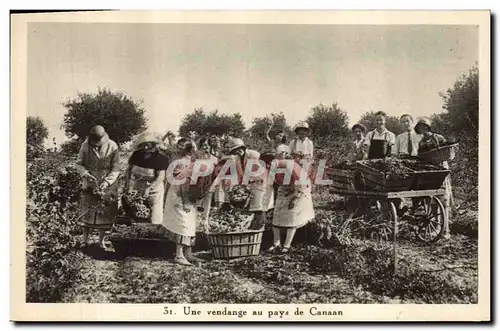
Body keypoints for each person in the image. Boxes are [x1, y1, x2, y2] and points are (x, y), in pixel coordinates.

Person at [75, 125, 120, 248]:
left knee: (104, 212)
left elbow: (116, 168)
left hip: (107, 182)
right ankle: (85, 240)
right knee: (87, 211)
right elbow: (79, 164)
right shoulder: (85, 145)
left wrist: (107, 181)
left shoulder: (112, 146)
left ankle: (101, 241)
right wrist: (86, 174)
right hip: (90, 181)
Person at [268, 144, 315, 253]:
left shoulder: (292, 166)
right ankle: (276, 243)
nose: (280, 157)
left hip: (300, 190)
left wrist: (295, 198)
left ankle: (287, 246)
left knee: (291, 216)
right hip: (284, 189)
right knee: (277, 215)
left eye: (283, 154)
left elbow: (302, 183)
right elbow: (273, 182)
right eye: (278, 155)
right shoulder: (274, 165)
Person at [162, 138, 201, 265]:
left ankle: (188, 253)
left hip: (175, 194)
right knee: (183, 223)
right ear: (190, 151)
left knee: (189, 223)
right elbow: (184, 184)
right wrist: (185, 201)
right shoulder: (185, 163)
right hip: (180, 195)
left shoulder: (178, 161)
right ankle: (179, 254)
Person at [415, 117, 453, 238]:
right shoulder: (421, 142)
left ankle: (446, 230)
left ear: (427, 127)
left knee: (444, 201)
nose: (422, 129)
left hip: (441, 170)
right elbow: (421, 157)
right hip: (430, 172)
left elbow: (446, 152)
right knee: (433, 200)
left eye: (424, 127)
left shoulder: (438, 138)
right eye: (420, 128)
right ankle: (436, 228)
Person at [224, 138, 273, 229]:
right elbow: (240, 174)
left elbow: (258, 170)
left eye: (239, 149)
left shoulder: (253, 154)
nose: (238, 151)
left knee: (259, 207)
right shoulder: (237, 159)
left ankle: (260, 228)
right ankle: (254, 228)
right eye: (235, 150)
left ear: (243, 147)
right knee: (249, 208)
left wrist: (247, 183)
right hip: (249, 185)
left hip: (261, 183)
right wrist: (237, 187)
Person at [124, 132, 171, 224]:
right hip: (138, 186)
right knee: (137, 211)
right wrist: (127, 183)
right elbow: (128, 170)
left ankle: (153, 231)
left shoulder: (160, 158)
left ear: (153, 144)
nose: (145, 147)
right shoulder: (137, 155)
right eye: (143, 145)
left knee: (154, 216)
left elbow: (161, 177)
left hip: (154, 188)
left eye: (148, 145)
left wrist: (150, 188)